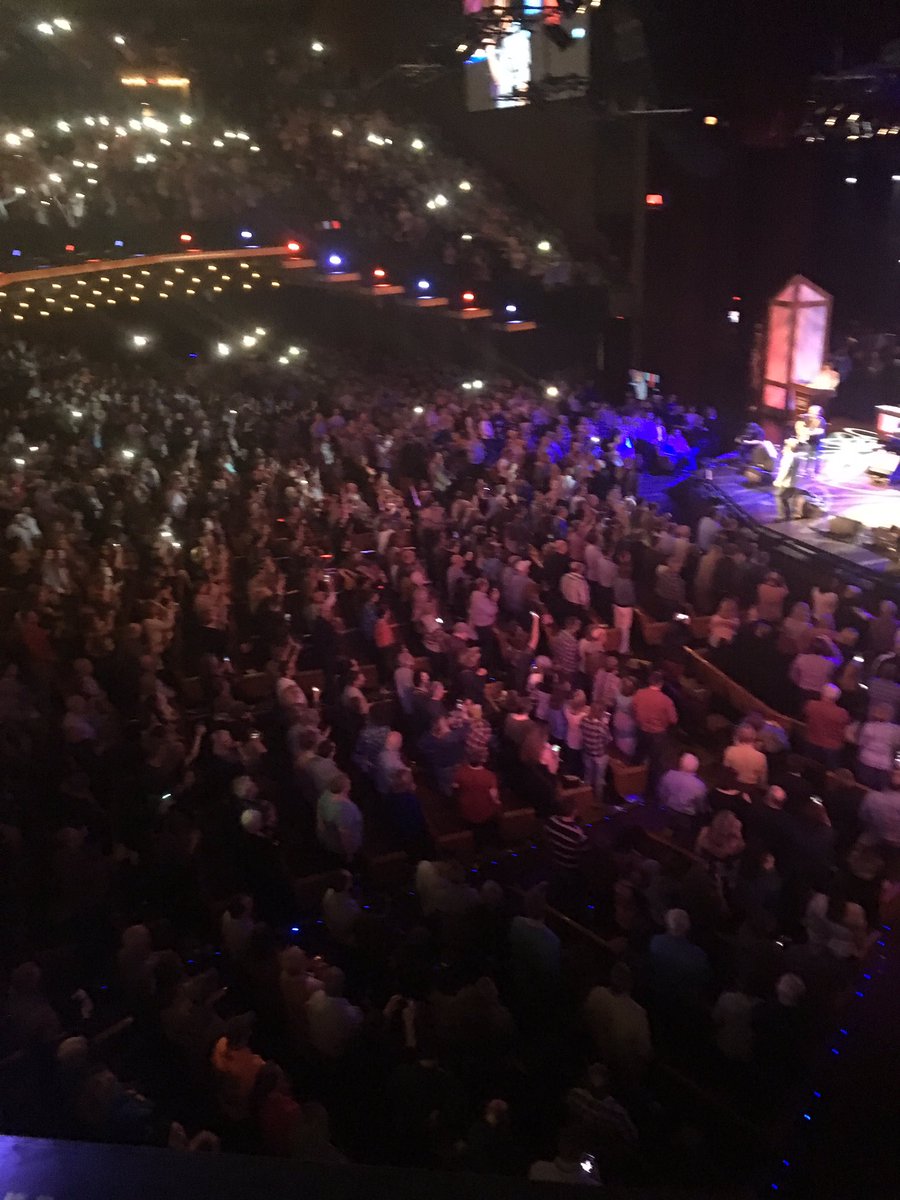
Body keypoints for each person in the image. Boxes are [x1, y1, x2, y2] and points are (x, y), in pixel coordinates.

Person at [583, 962, 652, 1090]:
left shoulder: (595, 994)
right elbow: (644, 1057)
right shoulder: (638, 1015)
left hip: (590, 1061)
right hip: (620, 1081)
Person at [632, 671, 677, 788]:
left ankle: (632, 781)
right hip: (658, 735)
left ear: (649, 681)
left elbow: (633, 709)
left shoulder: (639, 693)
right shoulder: (666, 700)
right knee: (655, 763)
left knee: (638, 756)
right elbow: (673, 720)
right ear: (661, 684)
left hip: (641, 731)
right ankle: (650, 789)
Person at [803, 682, 850, 769]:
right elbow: (844, 729)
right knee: (829, 773)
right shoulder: (841, 713)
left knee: (809, 768)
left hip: (812, 742)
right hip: (832, 748)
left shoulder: (811, 705)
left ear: (822, 693)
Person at [724, 724, 768, 789]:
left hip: (732, 786)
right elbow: (762, 780)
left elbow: (726, 771)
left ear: (737, 737)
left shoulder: (730, 750)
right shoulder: (761, 757)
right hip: (750, 789)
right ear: (754, 737)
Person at [772, 437, 801, 521]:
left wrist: (778, 481)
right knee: (789, 498)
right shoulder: (795, 457)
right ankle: (790, 514)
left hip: (785, 483)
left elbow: (784, 470)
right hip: (793, 482)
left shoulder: (787, 457)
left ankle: (782, 515)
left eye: (785, 446)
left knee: (778, 497)